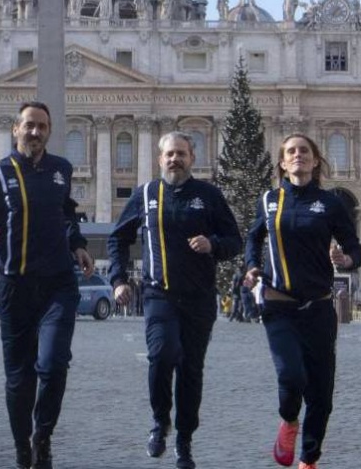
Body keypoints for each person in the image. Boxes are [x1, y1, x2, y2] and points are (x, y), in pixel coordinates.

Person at [0, 102, 93, 469]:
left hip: (58, 284)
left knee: (53, 364)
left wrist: (78, 244)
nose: (36, 133)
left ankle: (43, 437)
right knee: (19, 378)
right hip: (15, 284)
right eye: (30, 126)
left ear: (49, 131)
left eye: (42, 127)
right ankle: (22, 445)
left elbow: (65, 213)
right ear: (16, 129)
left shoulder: (60, 170)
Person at [108, 131, 242, 469]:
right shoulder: (147, 194)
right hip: (159, 294)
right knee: (161, 355)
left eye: (181, 153)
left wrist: (213, 244)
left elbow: (234, 241)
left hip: (199, 298)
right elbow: (118, 238)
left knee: (191, 370)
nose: (174, 159)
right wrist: (119, 279)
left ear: (191, 158)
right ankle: (159, 420)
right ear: (159, 159)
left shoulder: (208, 195)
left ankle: (184, 439)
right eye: (169, 154)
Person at [244, 134, 361, 469]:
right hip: (278, 304)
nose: (298, 156)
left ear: (315, 161)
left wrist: (346, 260)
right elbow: (253, 237)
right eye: (291, 152)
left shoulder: (330, 203)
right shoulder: (269, 199)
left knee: (322, 394)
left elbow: (356, 249)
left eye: (305, 151)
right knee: (291, 375)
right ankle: (288, 421)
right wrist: (252, 265)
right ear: (282, 162)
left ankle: (309, 458)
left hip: (319, 307)